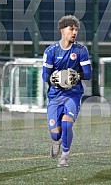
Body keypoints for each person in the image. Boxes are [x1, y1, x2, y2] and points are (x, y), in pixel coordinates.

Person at [42, 15, 92, 167]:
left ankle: (64, 156)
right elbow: (45, 76)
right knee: (56, 133)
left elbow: (88, 74)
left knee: (67, 124)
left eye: (76, 29)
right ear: (62, 30)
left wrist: (76, 76)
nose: (74, 32)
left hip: (73, 94)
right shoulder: (51, 51)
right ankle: (56, 140)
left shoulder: (81, 50)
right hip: (55, 95)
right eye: (71, 29)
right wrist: (55, 78)